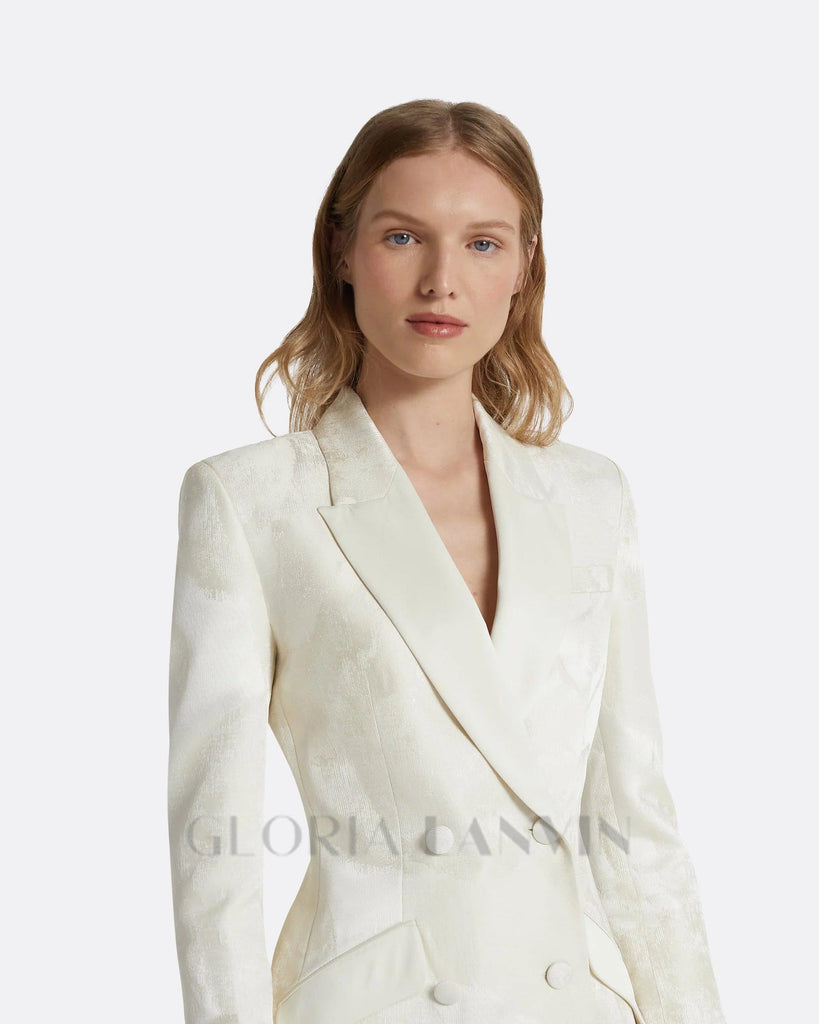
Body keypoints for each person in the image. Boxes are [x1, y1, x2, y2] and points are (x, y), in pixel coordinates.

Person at [167, 99, 727, 1024]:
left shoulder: (592, 498)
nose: (441, 282)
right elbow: (210, 846)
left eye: (481, 244)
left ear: (523, 266)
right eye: (402, 237)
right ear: (341, 252)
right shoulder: (249, 501)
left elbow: (637, 819)